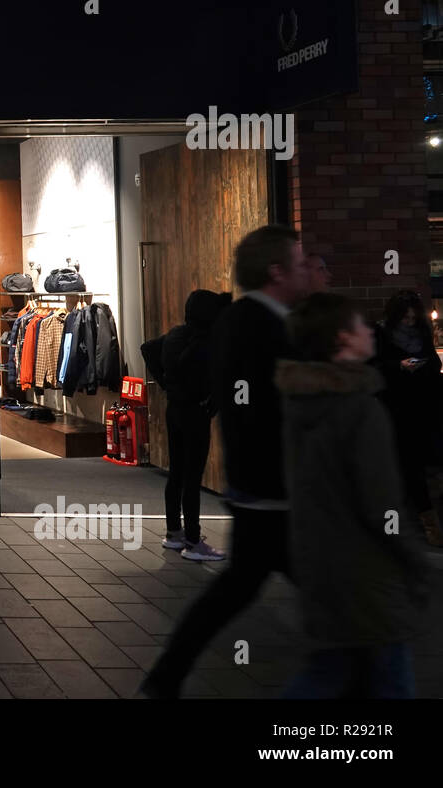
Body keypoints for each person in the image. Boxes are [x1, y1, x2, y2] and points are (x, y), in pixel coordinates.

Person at [141, 225, 309, 698]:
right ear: (277, 271)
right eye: (300, 265)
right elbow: (268, 408)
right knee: (332, 603)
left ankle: (165, 677)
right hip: (269, 490)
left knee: (235, 589)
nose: (307, 273)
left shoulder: (229, 325)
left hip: (257, 486)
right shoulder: (257, 325)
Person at [278, 292, 427, 698]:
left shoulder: (302, 403)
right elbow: (383, 507)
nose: (371, 331)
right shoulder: (361, 410)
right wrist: (417, 561)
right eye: (362, 324)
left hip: (324, 569)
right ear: (342, 339)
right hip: (369, 578)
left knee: (329, 674)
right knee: (388, 682)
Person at [142, 290, 231, 562]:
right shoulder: (206, 341)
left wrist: (165, 382)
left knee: (177, 474)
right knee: (192, 478)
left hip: (175, 410)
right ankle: (193, 542)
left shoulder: (176, 335)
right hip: (195, 413)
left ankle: (174, 533)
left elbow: (147, 349)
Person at [372, 290, 443, 546]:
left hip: (426, 406)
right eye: (406, 318)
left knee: (427, 462)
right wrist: (399, 366)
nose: (410, 322)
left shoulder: (423, 334)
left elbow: (434, 363)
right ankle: (429, 524)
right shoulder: (381, 334)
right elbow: (375, 368)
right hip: (399, 409)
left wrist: (425, 367)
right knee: (411, 465)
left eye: (413, 318)